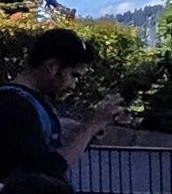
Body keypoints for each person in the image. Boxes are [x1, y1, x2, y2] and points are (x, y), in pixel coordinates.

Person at [0, 27, 125, 184]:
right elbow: (48, 170)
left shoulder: (27, 101)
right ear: (52, 67)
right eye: (73, 75)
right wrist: (90, 127)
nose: (73, 85)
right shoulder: (16, 105)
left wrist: (80, 132)